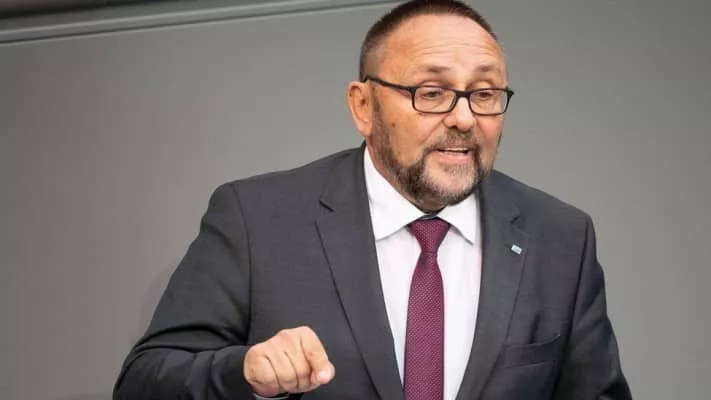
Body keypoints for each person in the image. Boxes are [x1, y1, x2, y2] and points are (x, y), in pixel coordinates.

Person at [114, 0, 632, 399]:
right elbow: (144, 381)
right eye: (432, 93)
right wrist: (243, 373)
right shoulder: (256, 219)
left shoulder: (560, 238)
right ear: (363, 107)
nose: (464, 118)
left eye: (484, 94)